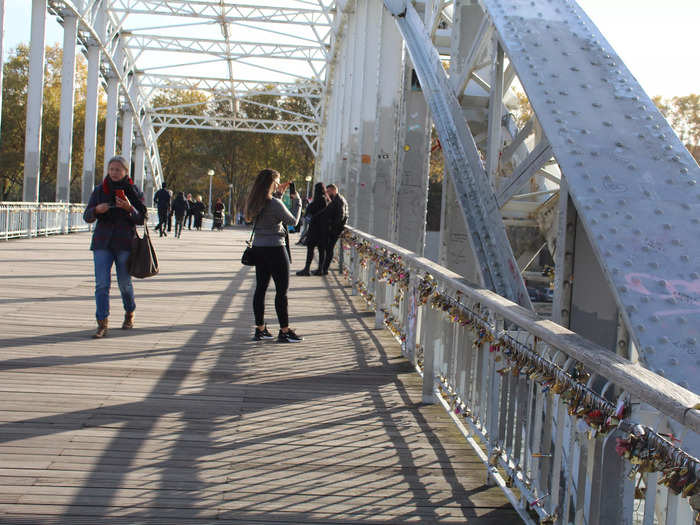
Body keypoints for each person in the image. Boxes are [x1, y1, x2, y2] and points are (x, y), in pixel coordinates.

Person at [83, 155, 147, 338]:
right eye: (111, 169)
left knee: (124, 283)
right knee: (101, 284)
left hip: (124, 242)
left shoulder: (134, 192)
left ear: (126, 172)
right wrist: (96, 210)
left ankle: (130, 311)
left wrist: (129, 208)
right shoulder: (99, 190)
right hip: (102, 242)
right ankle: (102, 322)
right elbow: (86, 216)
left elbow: (141, 218)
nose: (114, 173)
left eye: (118, 169)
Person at [244, 169, 303, 343]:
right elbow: (293, 221)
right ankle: (284, 331)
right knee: (281, 291)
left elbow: (266, 209)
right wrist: (297, 201)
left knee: (260, 289)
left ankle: (260, 329)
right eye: (277, 182)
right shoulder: (275, 204)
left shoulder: (254, 201)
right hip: (275, 249)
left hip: (258, 248)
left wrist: (278, 194)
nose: (279, 184)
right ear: (272, 183)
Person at [296, 182, 329, 276]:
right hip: (322, 229)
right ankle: (320, 269)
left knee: (310, 249)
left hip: (314, 228)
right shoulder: (325, 201)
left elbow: (309, 214)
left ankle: (307, 269)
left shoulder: (316, 201)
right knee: (321, 249)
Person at [321, 184, 348, 275]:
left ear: (333, 190)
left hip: (335, 230)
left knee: (329, 249)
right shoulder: (336, 199)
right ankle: (324, 268)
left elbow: (341, 216)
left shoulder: (339, 200)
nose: (327, 193)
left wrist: (332, 227)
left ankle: (325, 269)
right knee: (328, 249)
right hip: (333, 229)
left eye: (328, 191)